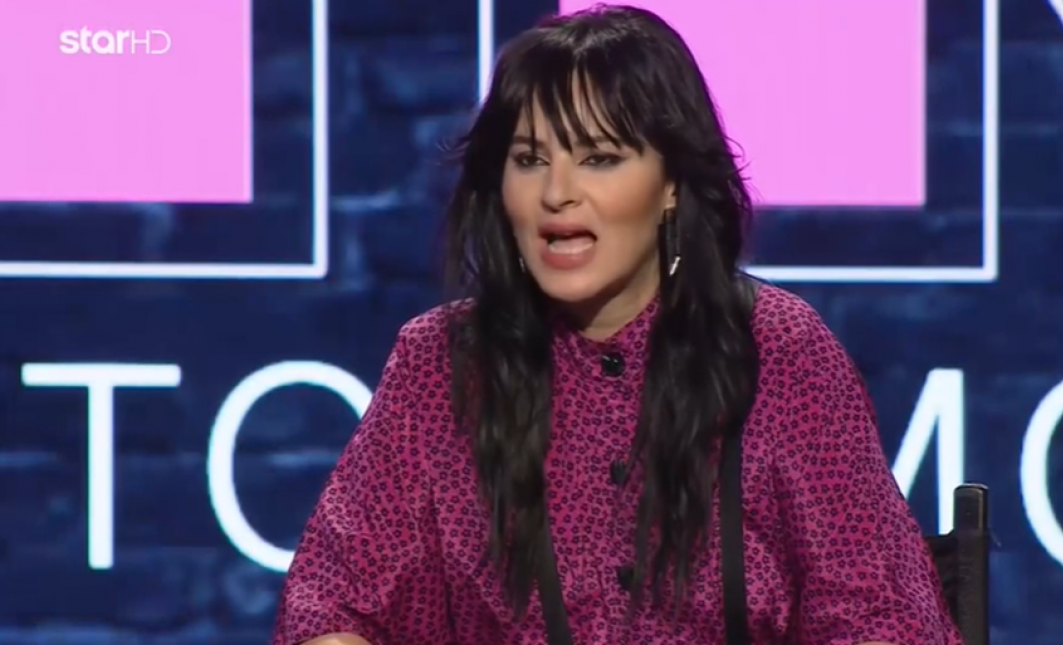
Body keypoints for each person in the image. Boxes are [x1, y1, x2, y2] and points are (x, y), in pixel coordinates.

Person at [271, 5, 963, 645]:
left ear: (671, 184)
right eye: (529, 159)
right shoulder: (441, 363)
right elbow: (332, 606)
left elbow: (883, 618)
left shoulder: (779, 352)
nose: (556, 193)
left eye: (598, 158)